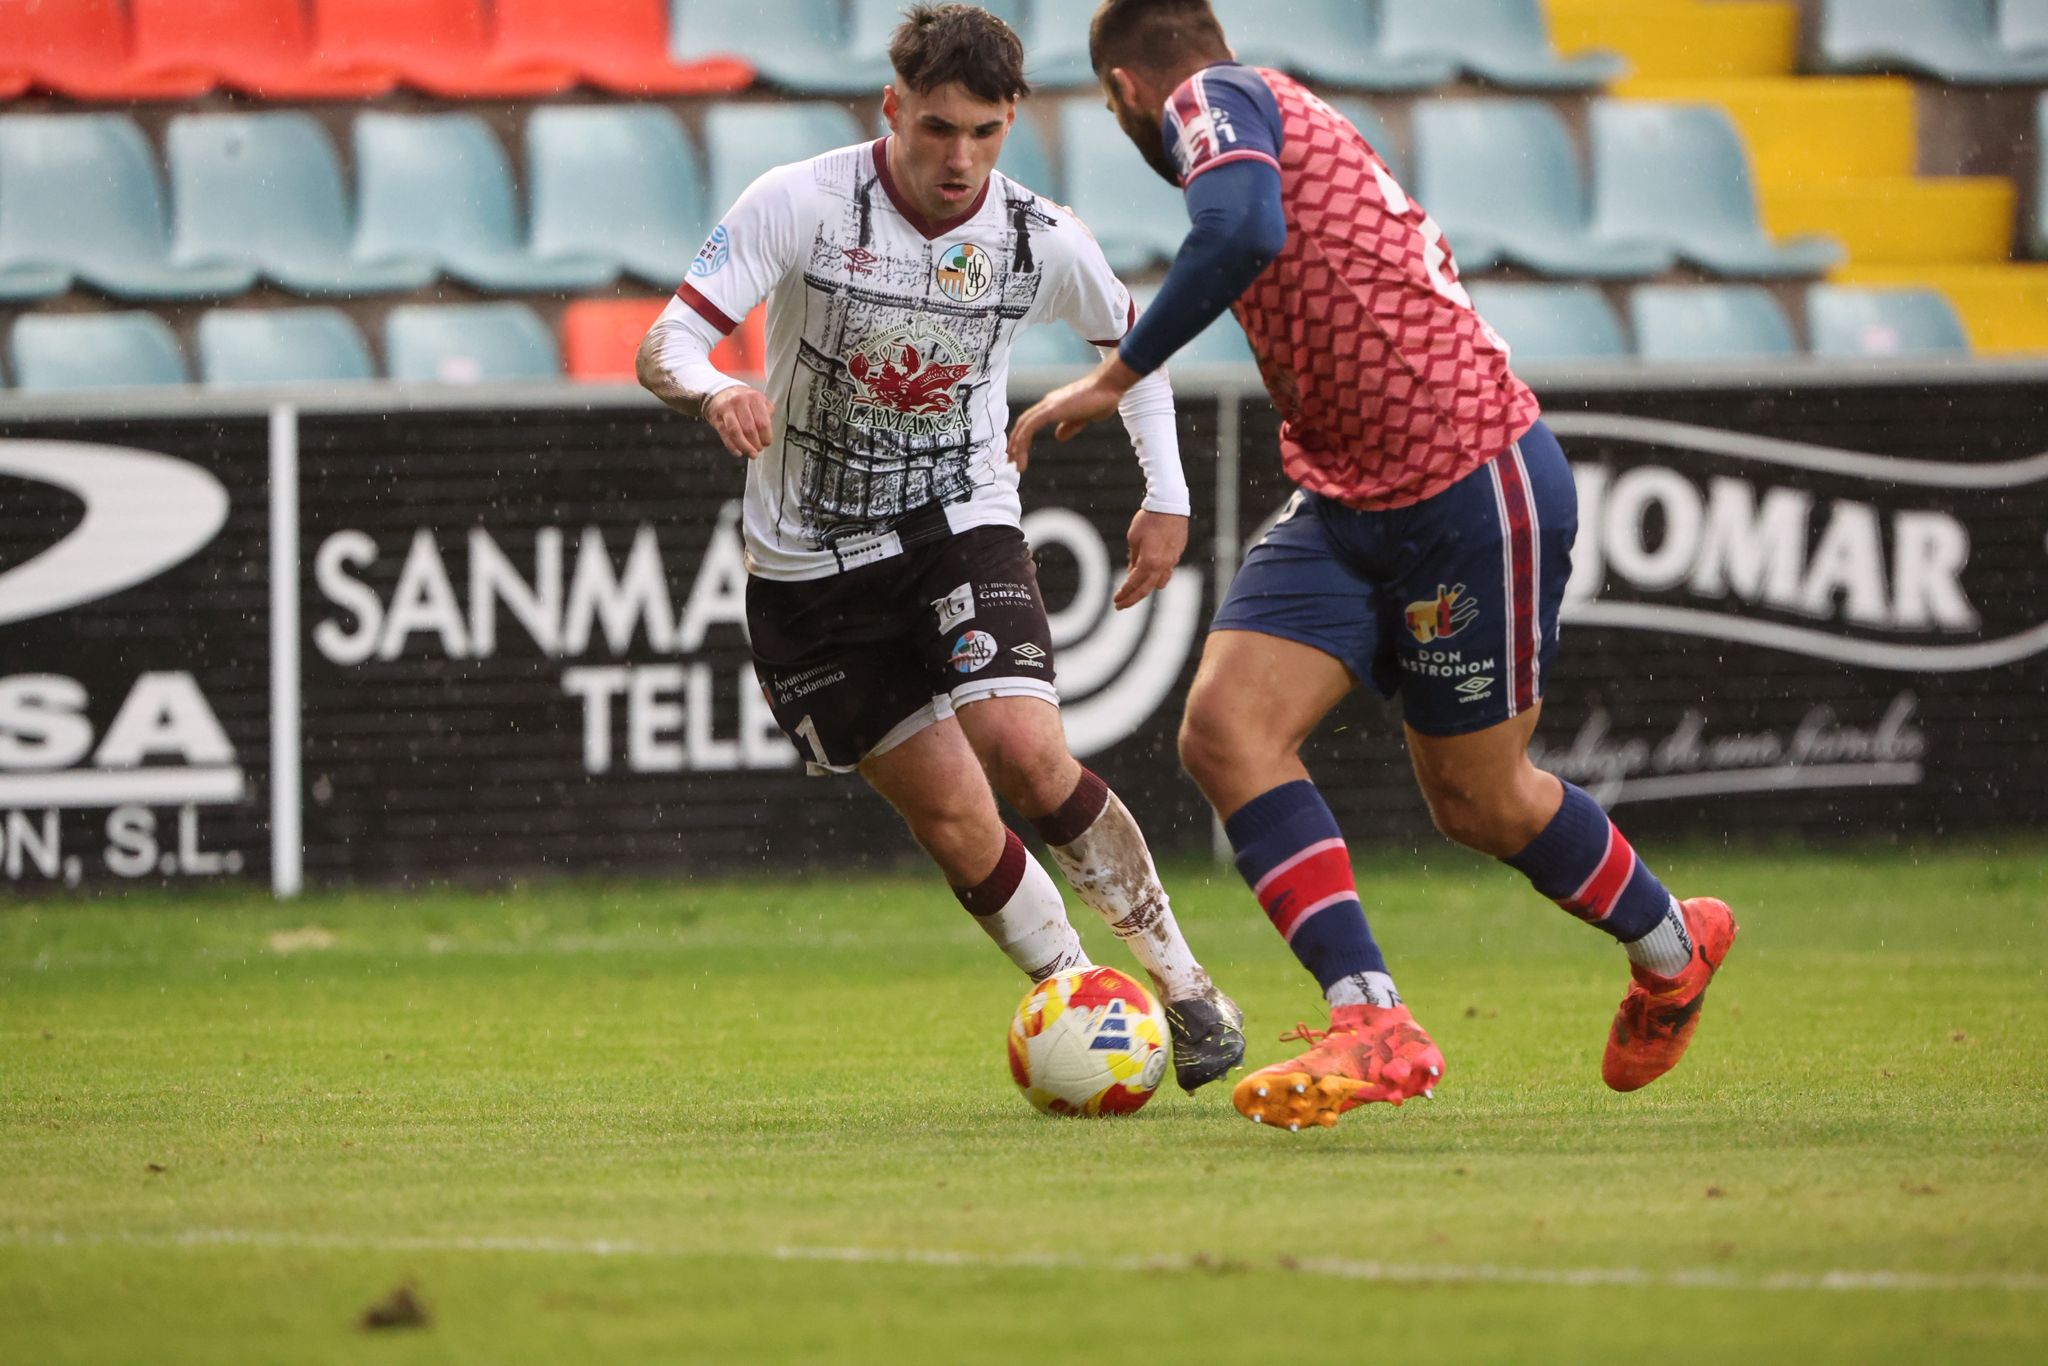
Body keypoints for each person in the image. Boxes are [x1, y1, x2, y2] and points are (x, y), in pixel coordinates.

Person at [1010, 0, 1735, 1130]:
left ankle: (1672, 947)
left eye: (1115, 108)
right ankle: (1372, 1020)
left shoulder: (1216, 99)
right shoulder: (1271, 108)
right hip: (1348, 493)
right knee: (1224, 731)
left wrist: (1118, 372)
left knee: (1481, 800)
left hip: (1464, 479)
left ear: (1125, 90)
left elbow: (1240, 228)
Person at [637, 3, 1243, 1090]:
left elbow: (1132, 351)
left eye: (983, 131)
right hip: (806, 569)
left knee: (1021, 750)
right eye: (935, 129)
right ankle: (1081, 997)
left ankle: (1185, 986)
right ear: (892, 110)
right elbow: (666, 338)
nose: (958, 157)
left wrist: (1167, 494)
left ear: (1011, 121)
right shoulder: (799, 203)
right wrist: (714, 385)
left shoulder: (1037, 236)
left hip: (957, 522)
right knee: (956, 817)